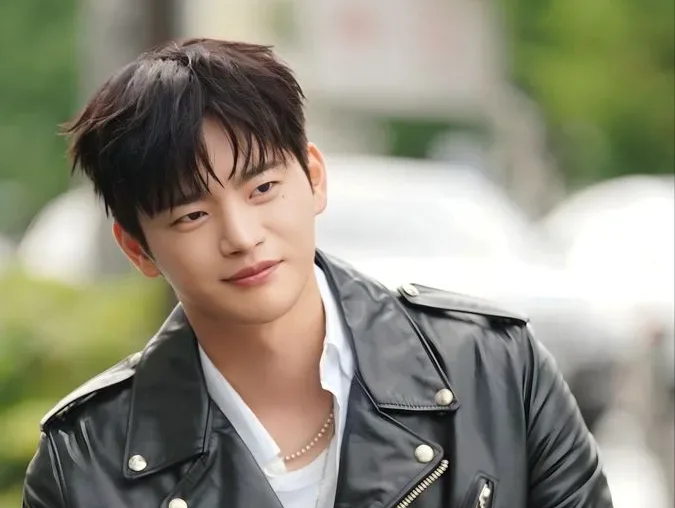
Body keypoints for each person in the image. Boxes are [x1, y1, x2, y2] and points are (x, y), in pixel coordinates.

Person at [22, 38, 613, 508]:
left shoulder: (495, 368)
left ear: (314, 178)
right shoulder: (85, 461)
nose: (241, 235)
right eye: (192, 214)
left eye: (263, 188)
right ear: (137, 249)